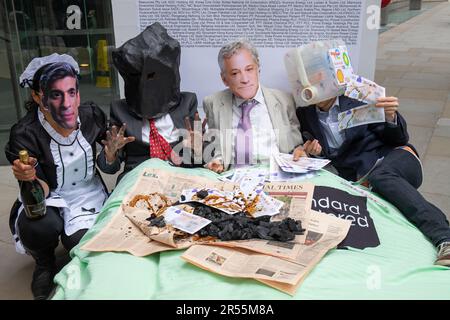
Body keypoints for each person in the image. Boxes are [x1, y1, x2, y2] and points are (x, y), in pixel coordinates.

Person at [5, 54, 132, 299]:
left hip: (87, 193)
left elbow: (107, 168)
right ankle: (44, 264)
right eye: (55, 94)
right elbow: (40, 191)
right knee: (38, 226)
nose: (67, 104)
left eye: (71, 92)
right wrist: (29, 177)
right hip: (50, 196)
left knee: (83, 244)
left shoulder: (91, 116)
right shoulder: (25, 133)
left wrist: (110, 155)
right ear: (37, 97)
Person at [297, 93, 450, 267]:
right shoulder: (305, 114)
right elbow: (323, 152)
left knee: (381, 178)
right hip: (360, 178)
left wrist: (390, 117)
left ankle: (445, 237)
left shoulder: (359, 101)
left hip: (394, 158)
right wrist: (314, 152)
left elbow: (399, 138)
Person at [97, 22, 203, 183]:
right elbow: (110, 169)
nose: (144, 87)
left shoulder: (187, 103)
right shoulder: (120, 110)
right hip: (139, 179)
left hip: (180, 177)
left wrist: (197, 149)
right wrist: (110, 153)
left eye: (151, 77)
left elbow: (199, 160)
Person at [203, 39, 304, 173]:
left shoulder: (284, 101)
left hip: (278, 177)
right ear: (224, 79)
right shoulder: (213, 103)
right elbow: (216, 149)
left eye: (249, 69)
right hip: (234, 180)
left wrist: (300, 151)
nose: (245, 79)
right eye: (235, 73)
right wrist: (216, 161)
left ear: (258, 69)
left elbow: (296, 146)